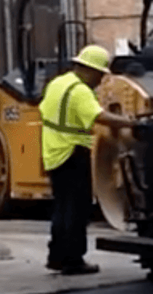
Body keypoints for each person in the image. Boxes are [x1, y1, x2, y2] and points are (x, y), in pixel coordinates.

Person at [38, 44, 134, 275]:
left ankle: (57, 256)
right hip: (72, 150)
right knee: (77, 208)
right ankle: (73, 260)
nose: (100, 80)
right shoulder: (80, 91)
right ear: (89, 70)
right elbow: (99, 116)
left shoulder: (58, 83)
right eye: (100, 74)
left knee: (62, 207)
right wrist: (131, 123)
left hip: (53, 149)